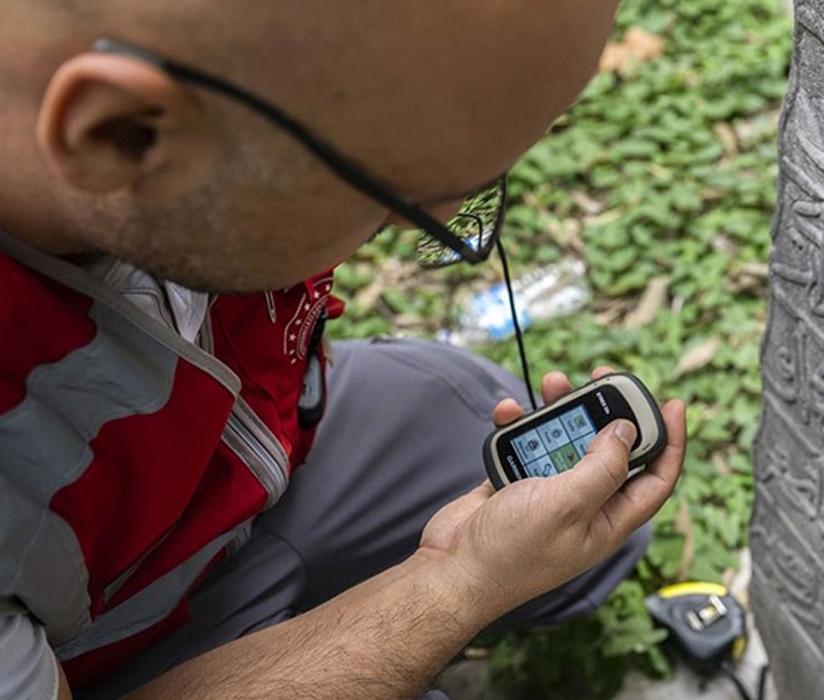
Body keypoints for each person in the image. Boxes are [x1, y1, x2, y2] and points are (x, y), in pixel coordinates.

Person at [0, 1, 687, 698]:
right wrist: (455, 582)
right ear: (125, 136)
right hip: (94, 649)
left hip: (251, 473)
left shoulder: (219, 143)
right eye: (409, 200)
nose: (451, 225)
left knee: (563, 500)